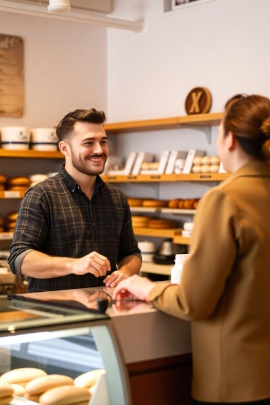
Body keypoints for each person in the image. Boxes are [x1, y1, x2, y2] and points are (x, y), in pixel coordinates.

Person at [114, 94, 270, 404]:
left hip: (234, 382)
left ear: (229, 140)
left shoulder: (224, 199)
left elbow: (194, 302)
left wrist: (145, 288)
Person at [8, 108, 142, 292]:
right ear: (65, 148)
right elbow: (19, 258)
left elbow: (131, 253)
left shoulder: (117, 199)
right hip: (54, 315)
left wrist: (125, 272)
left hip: (104, 311)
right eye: (88, 143)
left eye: (103, 142)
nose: (99, 150)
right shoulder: (41, 196)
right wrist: (73, 265)